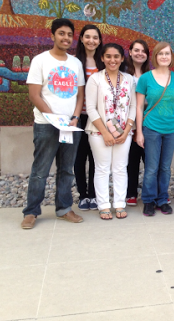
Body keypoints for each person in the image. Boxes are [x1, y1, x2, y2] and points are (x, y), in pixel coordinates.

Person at [21, 18, 85, 229]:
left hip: (70, 126)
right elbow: (34, 95)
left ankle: (64, 208)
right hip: (46, 125)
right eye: (61, 33)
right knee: (40, 170)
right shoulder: (40, 60)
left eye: (69, 34)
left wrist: (74, 117)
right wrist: (54, 118)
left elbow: (80, 95)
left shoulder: (75, 63)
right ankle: (31, 212)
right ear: (53, 36)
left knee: (67, 169)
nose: (66, 38)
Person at [85, 43, 136, 220]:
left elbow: (134, 107)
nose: (112, 60)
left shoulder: (130, 79)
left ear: (122, 59)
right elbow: (90, 108)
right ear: (102, 58)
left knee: (121, 168)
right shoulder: (95, 79)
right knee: (102, 168)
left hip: (124, 132)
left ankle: (120, 203)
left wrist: (127, 129)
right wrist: (105, 132)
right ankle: (104, 205)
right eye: (108, 56)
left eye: (116, 56)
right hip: (99, 132)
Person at [136, 42, 174, 216]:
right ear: (155, 56)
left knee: (165, 167)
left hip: (171, 129)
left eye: (167, 54)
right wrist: (139, 132)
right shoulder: (145, 78)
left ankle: (162, 199)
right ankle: (148, 200)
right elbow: (139, 106)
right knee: (151, 167)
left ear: (171, 57)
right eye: (161, 54)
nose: (164, 56)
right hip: (151, 128)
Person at [74, 24, 103, 211]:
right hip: (78, 117)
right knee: (79, 157)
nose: (91, 40)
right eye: (88, 37)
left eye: (95, 37)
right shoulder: (75, 62)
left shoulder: (103, 62)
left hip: (98, 118)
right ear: (82, 39)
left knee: (96, 157)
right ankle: (82, 195)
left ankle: (93, 194)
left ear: (100, 41)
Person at [124, 40, 151, 206]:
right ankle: (131, 192)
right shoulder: (123, 73)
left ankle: (150, 191)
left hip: (148, 121)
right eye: (136, 50)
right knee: (131, 158)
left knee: (150, 159)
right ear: (130, 52)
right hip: (128, 122)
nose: (140, 53)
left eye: (143, 51)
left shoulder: (151, 75)